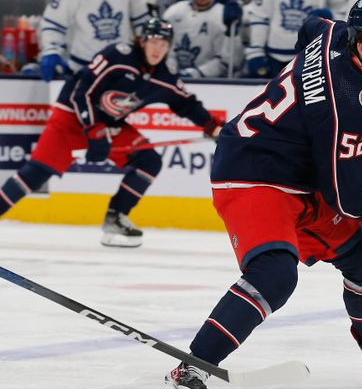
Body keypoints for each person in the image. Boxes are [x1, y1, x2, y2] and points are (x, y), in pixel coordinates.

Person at [150, 0, 362, 389]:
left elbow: (309, 26)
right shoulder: (355, 104)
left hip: (299, 177)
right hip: (252, 173)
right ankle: (190, 368)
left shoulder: (333, 32)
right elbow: (349, 197)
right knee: (274, 275)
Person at [0, 18, 224, 247]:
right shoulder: (118, 56)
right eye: (154, 42)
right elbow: (81, 92)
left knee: (148, 161)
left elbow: (187, 104)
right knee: (35, 174)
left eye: (164, 44)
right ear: (143, 41)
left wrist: (212, 126)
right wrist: (94, 130)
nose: (158, 49)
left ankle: (115, 218)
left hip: (109, 125)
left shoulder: (164, 75)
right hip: (71, 117)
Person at [164, 0, 241, 78]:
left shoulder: (223, 15)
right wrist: (172, 72)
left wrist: (197, 73)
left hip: (210, 83)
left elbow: (229, 61)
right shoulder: (174, 12)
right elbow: (166, 50)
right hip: (174, 79)